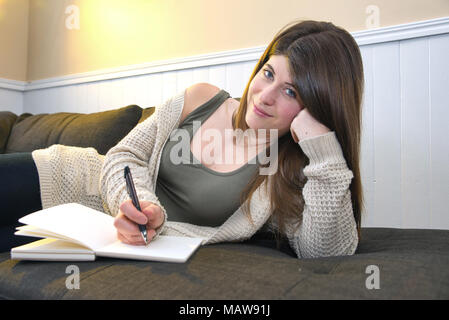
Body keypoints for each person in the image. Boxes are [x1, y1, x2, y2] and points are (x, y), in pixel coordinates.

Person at [0, 20, 364, 258]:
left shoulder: (287, 176)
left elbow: (325, 252)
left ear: (316, 107)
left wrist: (324, 150)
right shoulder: (201, 98)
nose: (265, 95)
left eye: (291, 92)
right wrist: (144, 205)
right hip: (66, 176)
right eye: (268, 73)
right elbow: (124, 155)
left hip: (97, 238)